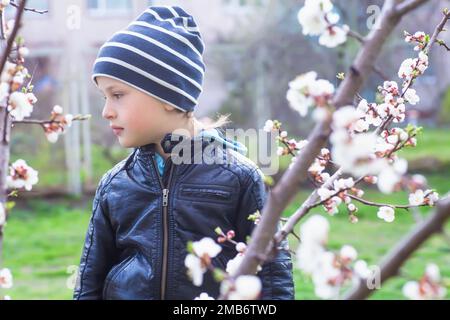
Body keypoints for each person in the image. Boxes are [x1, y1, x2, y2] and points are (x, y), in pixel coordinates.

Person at [73, 5, 294, 300]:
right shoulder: (115, 184)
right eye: (104, 97)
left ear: (168, 96)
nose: (106, 111)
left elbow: (273, 279)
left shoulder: (239, 178)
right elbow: (90, 282)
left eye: (117, 95)